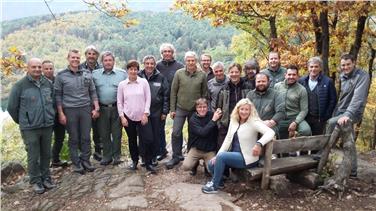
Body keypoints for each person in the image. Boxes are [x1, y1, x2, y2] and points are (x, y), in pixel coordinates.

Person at [202, 98, 275, 193]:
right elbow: (227, 139)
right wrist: (218, 155)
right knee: (212, 164)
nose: (244, 112)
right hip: (235, 155)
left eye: (246, 109)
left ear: (250, 110)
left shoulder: (254, 122)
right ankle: (219, 183)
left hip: (248, 158)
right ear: (238, 109)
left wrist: (259, 144)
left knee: (221, 157)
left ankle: (214, 186)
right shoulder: (234, 120)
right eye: (242, 109)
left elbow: (271, 132)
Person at [8, 58, 56, 194]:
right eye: (34, 67)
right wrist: (24, 121)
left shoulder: (47, 83)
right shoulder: (19, 86)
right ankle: (36, 181)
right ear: (27, 68)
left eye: (39, 67)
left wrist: (51, 115)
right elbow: (12, 108)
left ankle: (46, 178)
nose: (37, 69)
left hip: (47, 125)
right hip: (30, 128)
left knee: (46, 153)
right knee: (33, 155)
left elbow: (52, 101)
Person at [55, 49, 99, 174]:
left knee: (86, 136)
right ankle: (76, 163)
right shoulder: (61, 75)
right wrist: (61, 113)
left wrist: (96, 107)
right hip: (69, 110)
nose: (75, 60)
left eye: (77, 58)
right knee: (73, 138)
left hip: (85, 108)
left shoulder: (86, 73)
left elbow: (93, 91)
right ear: (68, 58)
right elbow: (58, 95)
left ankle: (86, 160)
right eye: (73, 57)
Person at [326, 53, 370, 177]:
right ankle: (352, 170)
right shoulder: (343, 76)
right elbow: (342, 98)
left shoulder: (362, 76)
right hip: (342, 111)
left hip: (353, 112)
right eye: (343, 65)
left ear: (354, 63)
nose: (345, 67)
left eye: (348, 64)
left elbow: (358, 98)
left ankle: (323, 154)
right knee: (348, 139)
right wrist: (337, 112)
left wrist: (348, 114)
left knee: (331, 124)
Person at [166, 51, 208, 169]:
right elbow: (173, 92)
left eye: (192, 60)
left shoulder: (202, 75)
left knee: (193, 133)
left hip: (195, 110)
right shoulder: (179, 73)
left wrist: (202, 110)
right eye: (188, 60)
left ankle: (191, 156)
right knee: (176, 132)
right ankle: (176, 156)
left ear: (196, 61)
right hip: (180, 107)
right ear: (185, 61)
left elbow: (204, 94)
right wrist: (172, 109)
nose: (190, 62)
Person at [117, 60, 156, 173]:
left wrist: (145, 114)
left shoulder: (143, 82)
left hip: (142, 116)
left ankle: (148, 162)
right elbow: (119, 102)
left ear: (138, 70)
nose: (133, 71)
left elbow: (148, 98)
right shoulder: (122, 85)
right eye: (131, 69)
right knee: (132, 140)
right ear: (127, 70)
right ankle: (134, 161)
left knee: (148, 139)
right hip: (128, 116)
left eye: (135, 69)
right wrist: (122, 117)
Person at [92, 51, 127, 166]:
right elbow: (91, 91)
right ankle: (107, 156)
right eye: (105, 60)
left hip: (117, 108)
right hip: (101, 108)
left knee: (117, 134)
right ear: (102, 62)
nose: (108, 62)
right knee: (104, 133)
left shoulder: (122, 74)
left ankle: (117, 156)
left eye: (110, 60)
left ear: (113, 61)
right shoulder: (94, 74)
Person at [138, 55, 169, 166]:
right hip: (141, 112)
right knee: (143, 135)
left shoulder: (160, 77)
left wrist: (165, 112)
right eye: (147, 63)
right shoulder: (138, 76)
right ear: (144, 64)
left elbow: (166, 95)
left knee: (156, 135)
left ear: (155, 65)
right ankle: (143, 156)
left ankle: (154, 157)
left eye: (152, 63)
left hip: (157, 111)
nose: (149, 66)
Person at [155, 43, 184, 161]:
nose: (167, 53)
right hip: (160, 100)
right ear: (161, 53)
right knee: (159, 128)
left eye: (169, 51)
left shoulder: (179, 66)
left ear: (173, 53)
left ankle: (178, 152)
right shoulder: (157, 66)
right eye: (164, 51)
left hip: (176, 100)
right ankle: (161, 150)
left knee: (177, 128)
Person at [216, 63, 252, 148]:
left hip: (244, 123)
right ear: (228, 73)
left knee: (240, 147)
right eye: (232, 72)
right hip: (227, 123)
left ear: (240, 73)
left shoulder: (248, 87)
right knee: (224, 148)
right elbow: (218, 107)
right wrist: (220, 123)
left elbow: (252, 105)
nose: (234, 74)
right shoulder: (224, 89)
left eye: (236, 72)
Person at [298, 57, 337, 135]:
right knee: (304, 140)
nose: (313, 69)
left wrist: (326, 115)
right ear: (308, 68)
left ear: (320, 68)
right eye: (311, 67)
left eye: (316, 66)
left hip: (319, 119)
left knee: (317, 141)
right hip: (305, 118)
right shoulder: (302, 81)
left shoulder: (328, 82)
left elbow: (333, 100)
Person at [182, 98, 222, 174]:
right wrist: (213, 120)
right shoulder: (193, 119)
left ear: (207, 107)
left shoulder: (212, 115)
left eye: (204, 107)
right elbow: (202, 133)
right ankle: (195, 164)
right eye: (199, 107)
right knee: (186, 166)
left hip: (209, 150)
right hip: (197, 149)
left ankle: (206, 166)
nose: (202, 109)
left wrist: (219, 111)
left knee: (212, 170)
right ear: (196, 108)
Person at [42, 60, 67, 167]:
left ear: (53, 69)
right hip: (47, 116)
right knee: (46, 140)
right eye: (46, 69)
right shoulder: (40, 82)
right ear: (42, 70)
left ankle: (55, 159)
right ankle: (44, 164)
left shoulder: (58, 80)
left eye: (50, 68)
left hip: (60, 114)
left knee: (60, 138)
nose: (49, 71)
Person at [79, 45, 103, 162]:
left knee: (99, 130)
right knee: (84, 131)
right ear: (86, 55)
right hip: (83, 104)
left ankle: (98, 152)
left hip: (99, 103)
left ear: (97, 56)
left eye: (94, 54)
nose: (91, 56)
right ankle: (84, 154)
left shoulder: (102, 68)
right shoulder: (79, 68)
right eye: (89, 54)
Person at [275, 65, 311, 139]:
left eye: (294, 75)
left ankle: (294, 144)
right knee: (275, 132)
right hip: (281, 118)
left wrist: (295, 122)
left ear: (297, 76)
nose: (291, 77)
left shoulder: (302, 90)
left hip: (295, 117)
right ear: (285, 75)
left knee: (306, 131)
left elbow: (304, 110)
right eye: (289, 74)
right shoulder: (277, 86)